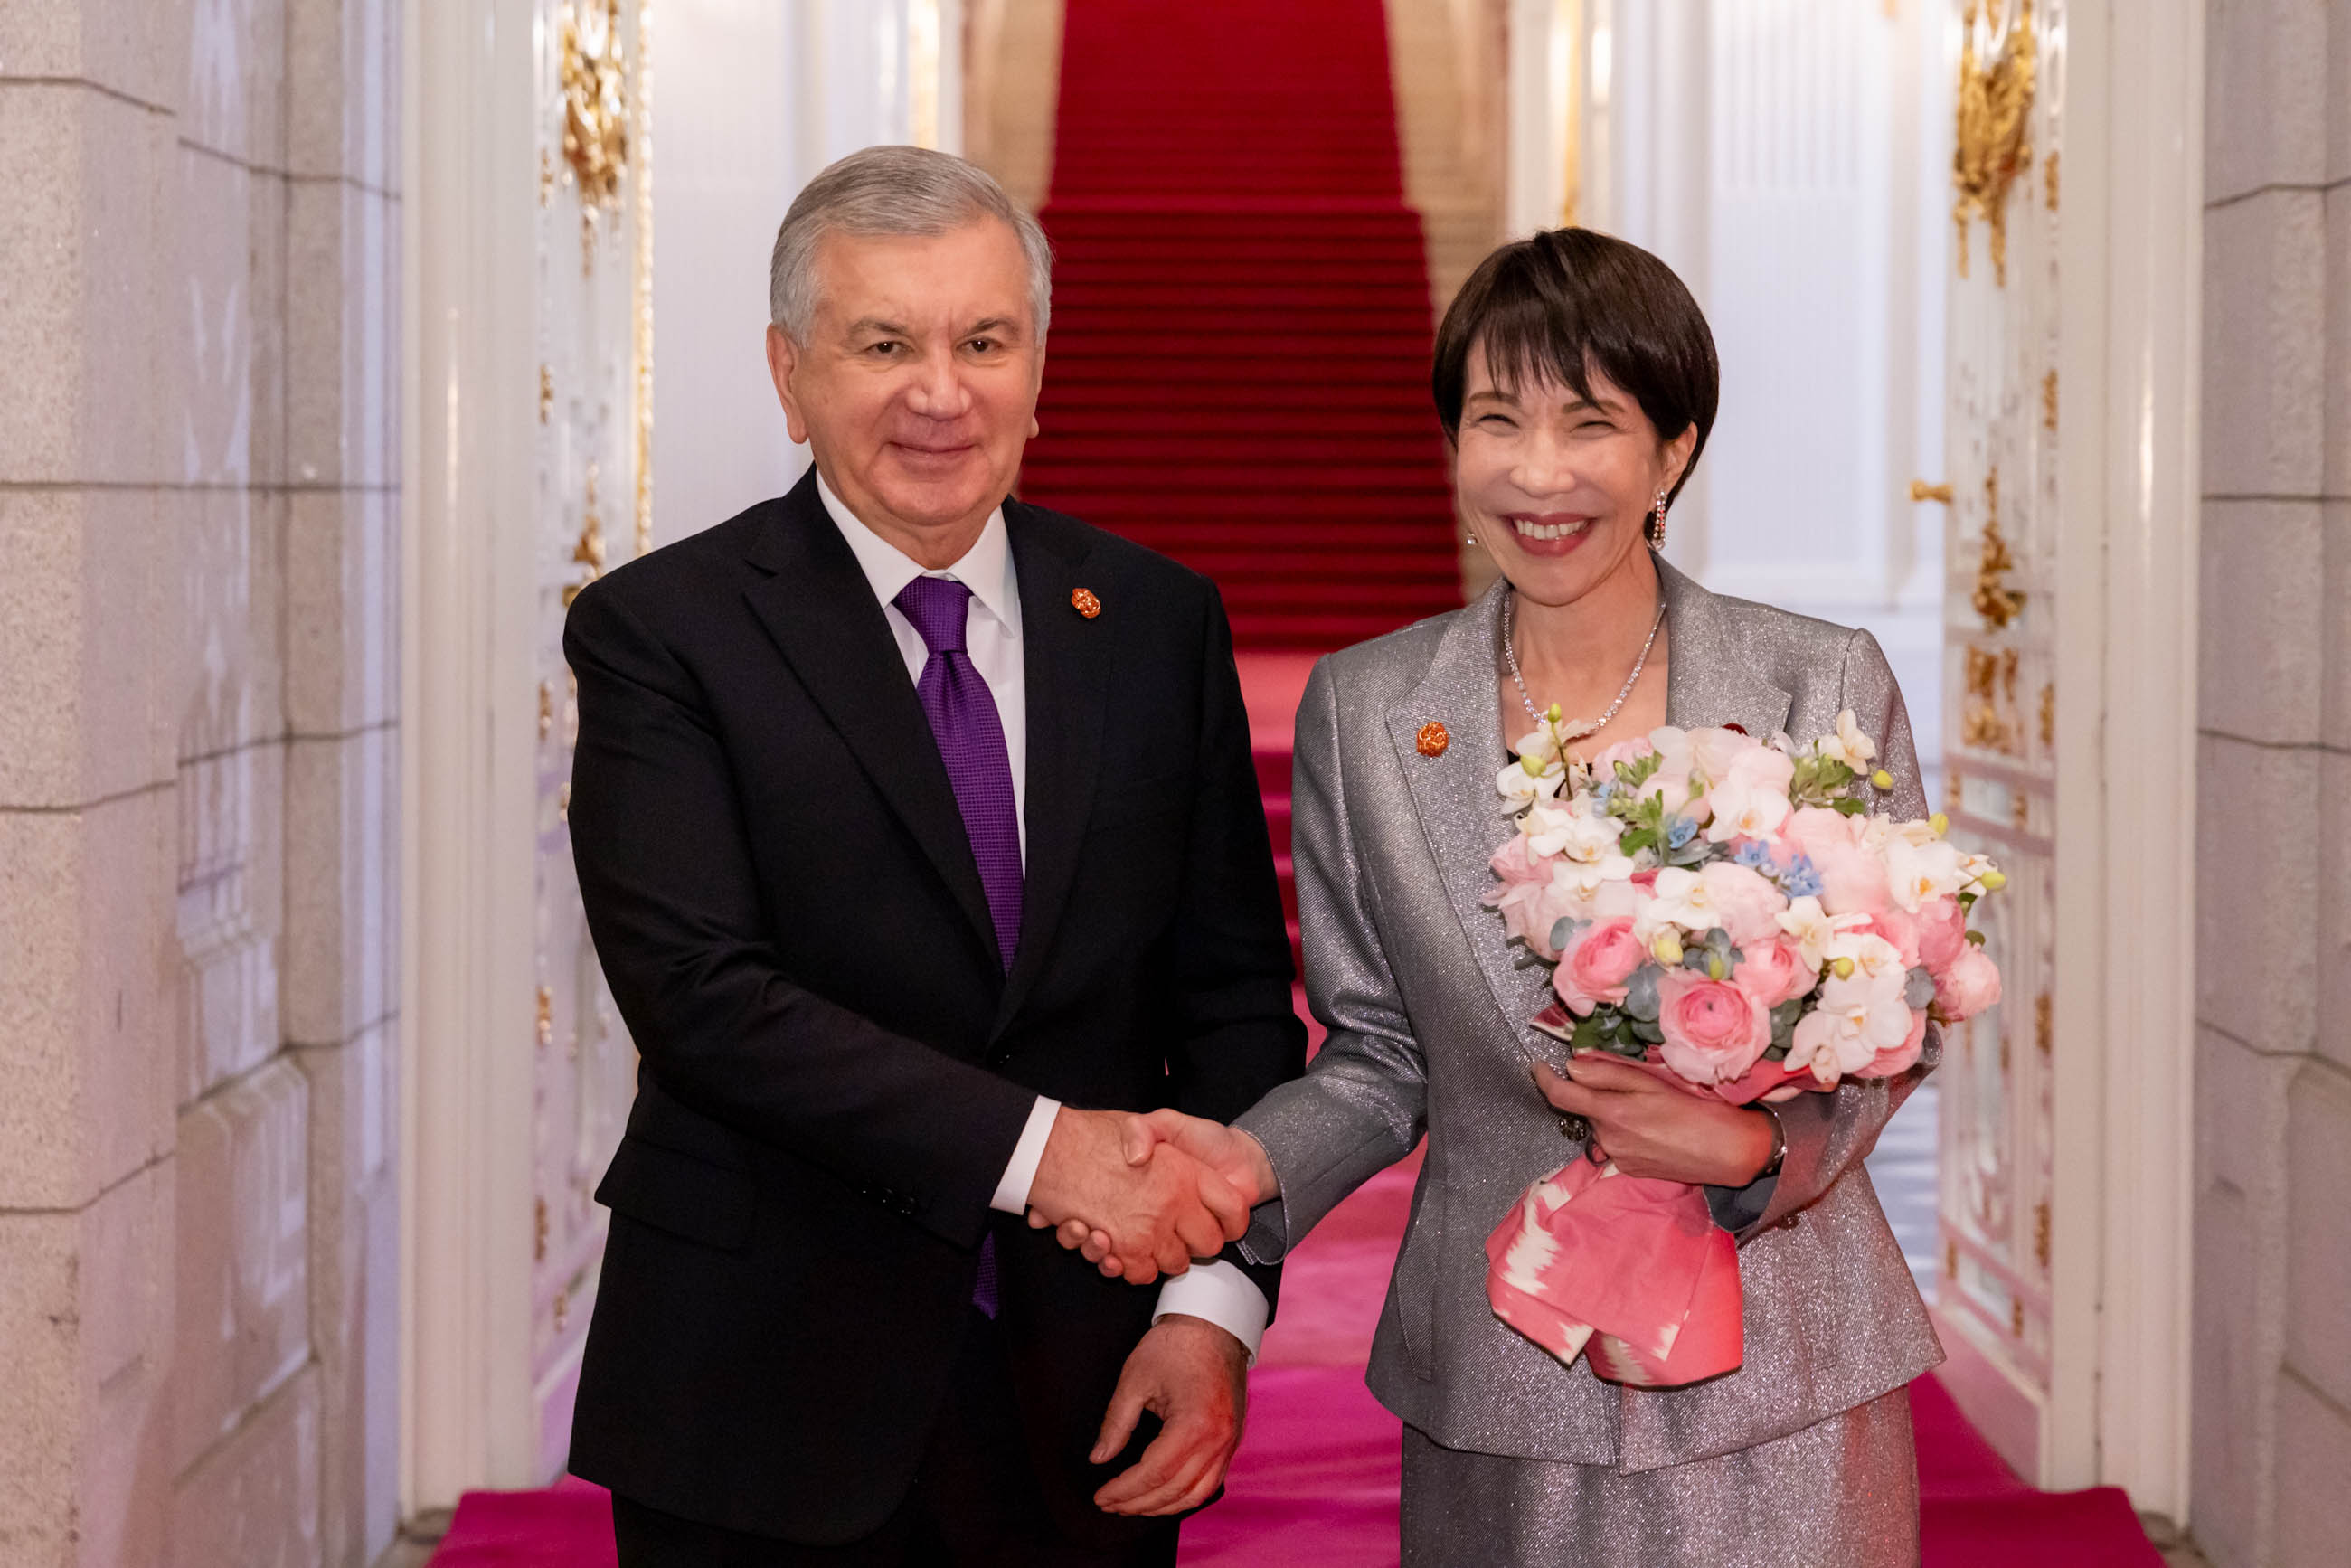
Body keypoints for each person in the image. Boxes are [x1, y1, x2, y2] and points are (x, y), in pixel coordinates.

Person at [1072, 228, 1943, 1564]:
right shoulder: (1369, 709)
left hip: (1784, 1367)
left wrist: (1759, 1153)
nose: (1538, 473)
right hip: (1501, 1369)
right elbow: (1379, 1053)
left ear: (1674, 451)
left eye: (1591, 424)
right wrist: (1246, 1166)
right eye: (1496, 421)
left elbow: (1895, 1006)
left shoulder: (1814, 684)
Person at [562, 145, 1305, 1567]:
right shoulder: (664, 632)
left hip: (1091, 1389)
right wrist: (1047, 1155)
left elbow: (1230, 1007)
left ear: (1038, 365)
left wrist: (1211, 1313)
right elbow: (706, 1001)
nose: (940, 393)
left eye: (983, 341)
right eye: (885, 343)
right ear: (790, 374)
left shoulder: (1155, 623)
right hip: (761, 1388)